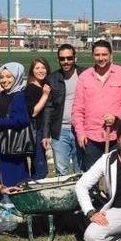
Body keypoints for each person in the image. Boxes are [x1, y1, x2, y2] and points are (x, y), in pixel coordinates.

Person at [72, 40, 121, 171]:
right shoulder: (84, 77)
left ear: (111, 55)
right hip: (90, 137)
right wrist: (80, 133)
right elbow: (78, 108)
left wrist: (116, 116)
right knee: (91, 176)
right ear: (93, 55)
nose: (101, 58)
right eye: (97, 55)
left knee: (117, 175)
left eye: (104, 54)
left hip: (116, 135)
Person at [42, 44, 84, 175]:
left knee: (81, 170)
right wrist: (46, 134)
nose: (66, 61)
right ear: (58, 60)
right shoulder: (52, 79)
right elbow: (49, 108)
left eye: (69, 58)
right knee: (61, 170)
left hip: (81, 130)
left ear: (75, 58)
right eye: (62, 59)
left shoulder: (85, 75)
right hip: (60, 130)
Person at [0, 62, 32, 187]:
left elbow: (22, 120)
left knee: (14, 179)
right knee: (2, 176)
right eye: (2, 77)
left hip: (13, 144)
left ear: (17, 77)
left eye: (9, 77)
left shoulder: (19, 96)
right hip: (1, 142)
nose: (4, 80)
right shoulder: (2, 95)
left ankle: (14, 204)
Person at [25, 58, 52, 180]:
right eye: (37, 68)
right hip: (35, 129)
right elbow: (34, 112)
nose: (41, 70)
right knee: (41, 169)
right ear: (32, 71)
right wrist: (45, 95)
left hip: (41, 129)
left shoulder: (43, 85)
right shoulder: (31, 88)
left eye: (43, 67)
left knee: (38, 166)